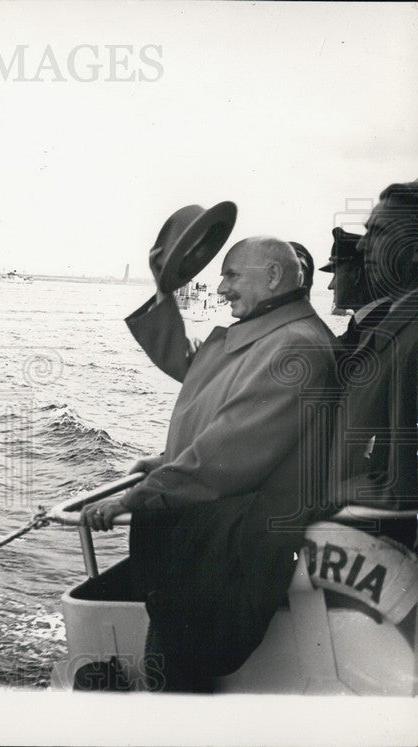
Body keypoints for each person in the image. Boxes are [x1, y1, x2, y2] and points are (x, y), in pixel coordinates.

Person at [84, 235, 337, 692]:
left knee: (175, 674)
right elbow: (203, 381)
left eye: (231, 275)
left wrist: (136, 497)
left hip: (225, 546)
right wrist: (164, 292)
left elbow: (229, 454)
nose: (220, 289)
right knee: (173, 667)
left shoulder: (292, 347)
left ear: (275, 276)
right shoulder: (270, 337)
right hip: (209, 535)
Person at [329, 180, 418, 549]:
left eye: (377, 231)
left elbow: (402, 482)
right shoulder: (401, 317)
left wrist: (320, 495)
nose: (363, 244)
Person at [320, 226, 391, 356]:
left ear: (357, 275)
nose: (330, 286)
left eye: (335, 274)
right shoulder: (366, 321)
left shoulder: (378, 327)